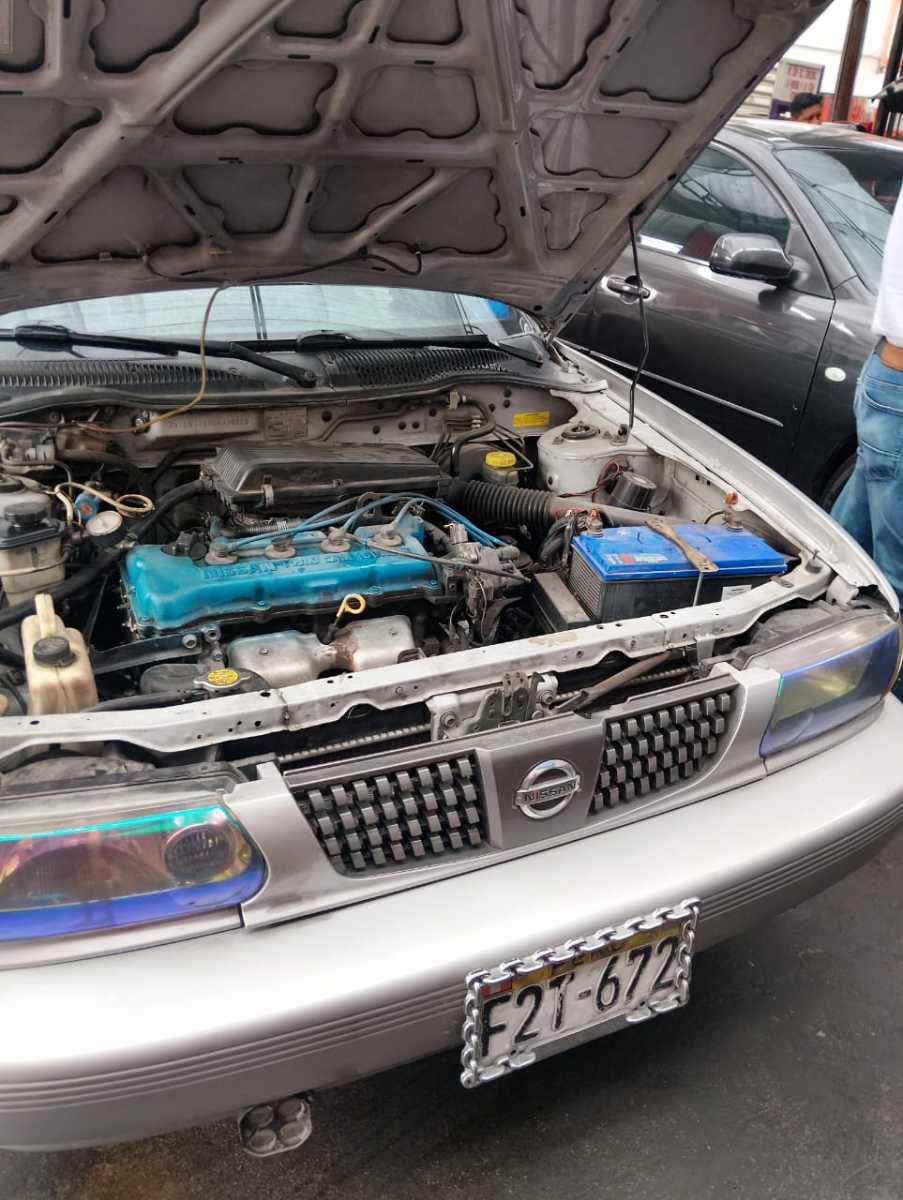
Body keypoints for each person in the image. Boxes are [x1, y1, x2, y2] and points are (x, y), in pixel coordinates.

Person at [832, 191, 903, 695]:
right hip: (897, 386)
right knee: (894, 586)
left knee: (842, 552)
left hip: (888, 375)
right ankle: (883, 712)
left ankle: (808, 657)